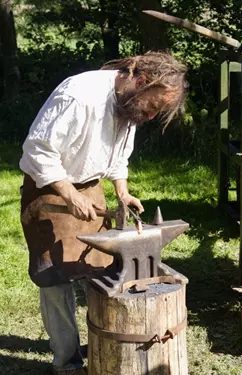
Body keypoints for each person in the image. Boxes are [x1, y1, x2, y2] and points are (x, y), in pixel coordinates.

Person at [19, 51, 188, 375]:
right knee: (54, 278)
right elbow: (38, 151)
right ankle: (66, 361)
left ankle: (101, 342)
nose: (151, 116)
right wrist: (68, 194)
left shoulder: (130, 105)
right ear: (140, 82)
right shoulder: (79, 95)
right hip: (50, 190)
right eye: (153, 106)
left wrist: (122, 191)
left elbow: (118, 157)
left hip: (91, 188)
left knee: (95, 267)